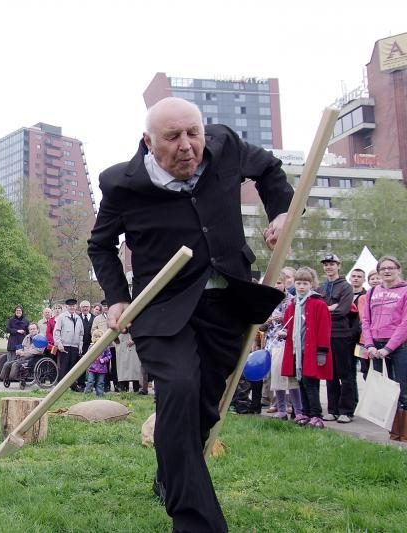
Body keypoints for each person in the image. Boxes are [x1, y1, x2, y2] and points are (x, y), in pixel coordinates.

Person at [87, 97, 293, 532]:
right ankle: (196, 520)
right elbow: (100, 245)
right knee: (178, 388)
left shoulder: (225, 145)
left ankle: (170, 476)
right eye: (173, 137)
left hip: (225, 303)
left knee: (204, 408)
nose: (187, 146)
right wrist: (117, 298)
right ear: (148, 142)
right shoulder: (121, 185)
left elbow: (270, 170)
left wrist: (281, 214)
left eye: (192, 134)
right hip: (160, 308)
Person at [361, 256, 407, 441]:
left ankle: (403, 434)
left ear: (398, 269)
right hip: (375, 346)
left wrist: (388, 348)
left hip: (399, 346)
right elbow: (366, 320)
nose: (387, 271)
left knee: (403, 388)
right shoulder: (372, 292)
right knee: (384, 390)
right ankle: (392, 431)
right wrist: (370, 344)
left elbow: (405, 323)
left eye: (391, 268)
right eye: (383, 268)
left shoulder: (405, 290)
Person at [281, 267, 333, 428]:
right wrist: (284, 331)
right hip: (296, 350)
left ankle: (316, 414)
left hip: (311, 350)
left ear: (312, 284)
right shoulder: (293, 304)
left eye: (305, 283)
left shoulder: (318, 304)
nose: (301, 286)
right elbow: (288, 323)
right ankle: (303, 413)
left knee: (311, 382)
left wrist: (322, 351)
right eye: (298, 283)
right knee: (300, 382)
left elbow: (324, 328)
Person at [318, 253, 356, 423]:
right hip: (325, 335)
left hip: (341, 335)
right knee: (329, 373)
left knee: (345, 373)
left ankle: (346, 411)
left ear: (339, 266)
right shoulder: (322, 287)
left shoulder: (346, 287)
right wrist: (329, 309)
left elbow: (343, 311)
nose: (329, 267)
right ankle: (332, 409)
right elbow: (317, 312)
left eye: (332, 264)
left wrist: (327, 311)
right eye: (326, 264)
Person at [265, 271, 303, 421]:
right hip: (271, 343)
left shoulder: (292, 301)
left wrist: (283, 319)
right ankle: (281, 409)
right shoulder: (267, 300)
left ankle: (298, 410)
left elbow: (297, 321)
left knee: (291, 378)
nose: (276, 285)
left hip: (288, 343)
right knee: (276, 378)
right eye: (274, 282)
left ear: (285, 283)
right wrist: (267, 321)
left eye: (279, 282)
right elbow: (260, 325)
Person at [53, 298, 84, 392]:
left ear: (76, 306)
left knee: (73, 368)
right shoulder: (61, 317)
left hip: (74, 346)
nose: (72, 307)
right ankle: (60, 388)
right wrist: (59, 344)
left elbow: (81, 333)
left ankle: (73, 386)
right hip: (64, 345)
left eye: (73, 306)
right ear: (66, 307)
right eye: (70, 306)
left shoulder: (78, 318)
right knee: (64, 367)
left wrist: (80, 345)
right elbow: (56, 332)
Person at [357, 269, 382, 380]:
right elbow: (363, 317)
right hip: (362, 340)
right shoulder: (363, 297)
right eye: (372, 278)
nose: (375, 280)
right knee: (364, 368)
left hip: (379, 339)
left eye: (378, 278)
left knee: (379, 370)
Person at [84, 329, 112, 397]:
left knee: (100, 382)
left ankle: (100, 395)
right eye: (96, 337)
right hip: (92, 368)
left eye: (99, 337)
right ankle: (87, 395)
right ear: (93, 338)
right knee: (90, 381)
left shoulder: (105, 346)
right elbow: (87, 355)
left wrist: (104, 360)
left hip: (101, 368)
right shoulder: (91, 346)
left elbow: (109, 355)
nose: (98, 338)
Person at [78, 300, 95, 391]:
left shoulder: (94, 317)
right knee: (81, 365)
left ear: (90, 307)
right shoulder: (77, 318)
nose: (85, 308)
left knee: (92, 365)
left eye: (86, 306)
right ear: (80, 308)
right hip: (80, 345)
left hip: (92, 344)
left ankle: (92, 384)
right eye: (83, 307)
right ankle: (81, 384)